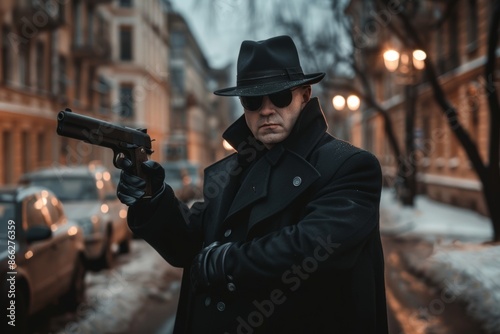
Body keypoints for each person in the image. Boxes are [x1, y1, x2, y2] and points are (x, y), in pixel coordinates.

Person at [117, 35, 388, 334]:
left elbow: (315, 247)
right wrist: (152, 198)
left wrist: (228, 263)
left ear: (304, 95)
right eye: (253, 100)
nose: (267, 109)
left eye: (281, 96)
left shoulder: (349, 165)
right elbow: (190, 244)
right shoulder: (234, 170)